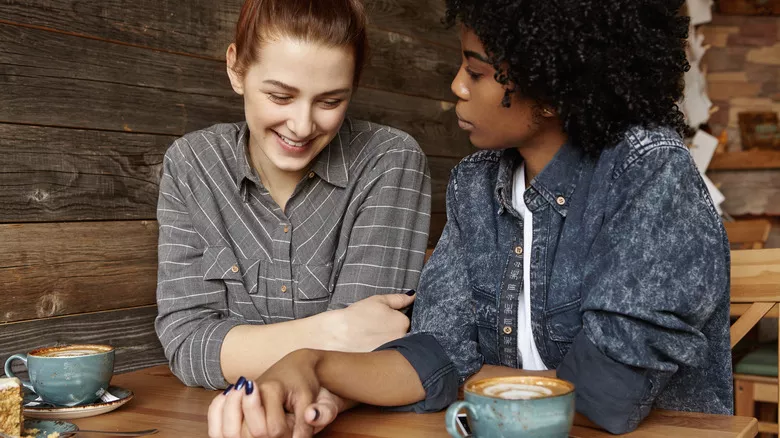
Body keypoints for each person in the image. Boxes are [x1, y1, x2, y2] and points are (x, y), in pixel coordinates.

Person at [207, 0, 733, 436]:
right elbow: (434, 352)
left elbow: (604, 398)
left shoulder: (648, 171)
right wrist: (312, 364)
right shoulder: (476, 183)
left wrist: (454, 376)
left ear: (553, 90)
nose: (457, 86)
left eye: (477, 71)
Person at [155, 0, 430, 393]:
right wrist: (330, 330)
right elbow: (187, 347)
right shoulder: (192, 164)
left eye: (330, 101)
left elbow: (368, 350)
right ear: (237, 69)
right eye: (281, 97)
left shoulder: (389, 159)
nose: (302, 126)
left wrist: (240, 348)